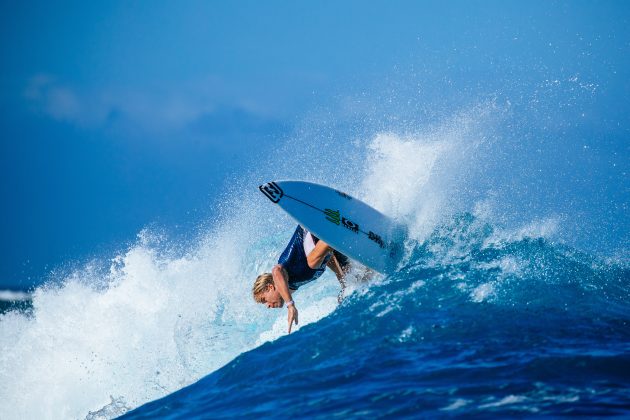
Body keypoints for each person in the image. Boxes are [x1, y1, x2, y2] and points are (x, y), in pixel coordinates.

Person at [252, 225, 350, 333]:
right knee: (357, 279)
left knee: (312, 263)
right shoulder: (293, 284)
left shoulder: (283, 271)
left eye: (264, 300)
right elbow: (327, 257)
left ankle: (337, 233)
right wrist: (343, 281)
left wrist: (290, 306)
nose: (268, 306)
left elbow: (276, 271)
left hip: (313, 228)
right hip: (330, 244)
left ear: (270, 287)